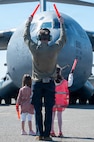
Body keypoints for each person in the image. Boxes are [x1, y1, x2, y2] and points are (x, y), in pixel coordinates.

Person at [23, 14, 66, 141]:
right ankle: (47, 135)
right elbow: (63, 39)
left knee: (37, 110)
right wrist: (62, 24)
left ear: (39, 37)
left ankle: (39, 134)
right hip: (49, 84)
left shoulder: (34, 48)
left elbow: (26, 37)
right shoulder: (54, 49)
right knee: (48, 109)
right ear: (49, 38)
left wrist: (28, 22)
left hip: (37, 83)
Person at [50, 66, 73, 137]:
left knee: (52, 117)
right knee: (59, 116)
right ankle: (60, 131)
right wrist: (71, 75)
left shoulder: (51, 82)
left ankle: (52, 131)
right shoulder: (64, 82)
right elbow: (70, 83)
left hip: (52, 101)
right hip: (61, 101)